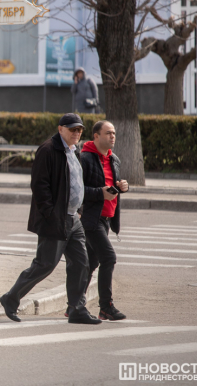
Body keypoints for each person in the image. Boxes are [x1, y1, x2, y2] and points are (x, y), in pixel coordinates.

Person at [0, 113, 102, 325]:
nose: (76, 133)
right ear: (60, 129)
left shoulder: (74, 150)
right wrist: (50, 213)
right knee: (45, 265)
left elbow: (77, 182)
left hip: (74, 218)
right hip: (56, 219)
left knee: (81, 263)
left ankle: (76, 309)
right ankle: (11, 298)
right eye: (72, 129)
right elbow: (39, 185)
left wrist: (80, 209)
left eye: (79, 129)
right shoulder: (48, 150)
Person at [77, 120, 129, 321]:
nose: (112, 136)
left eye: (113, 133)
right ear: (96, 136)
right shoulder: (84, 158)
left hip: (106, 218)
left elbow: (111, 186)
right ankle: (106, 307)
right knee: (108, 258)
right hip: (91, 218)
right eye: (108, 133)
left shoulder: (114, 159)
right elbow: (77, 190)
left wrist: (122, 186)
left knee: (91, 262)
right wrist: (100, 193)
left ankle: (74, 305)